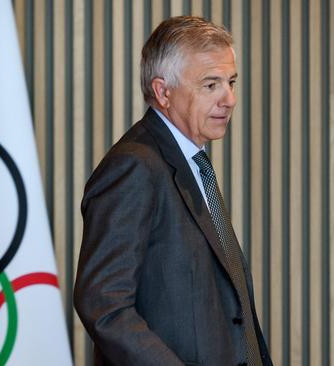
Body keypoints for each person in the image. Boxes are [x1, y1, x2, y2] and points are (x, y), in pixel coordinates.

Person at [73, 16, 273, 366]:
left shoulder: (189, 160)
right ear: (164, 92)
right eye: (211, 85)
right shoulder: (134, 166)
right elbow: (104, 305)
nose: (229, 98)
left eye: (231, 82)